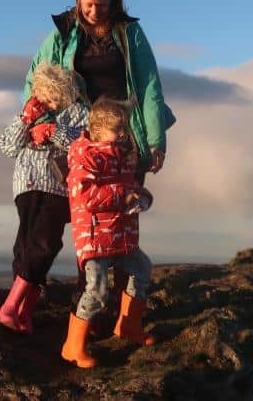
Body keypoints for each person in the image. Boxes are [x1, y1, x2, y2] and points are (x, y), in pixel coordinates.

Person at [22, 0, 175, 329]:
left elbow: (150, 86)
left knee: (122, 223)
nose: (94, 11)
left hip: (126, 140)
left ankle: (124, 321)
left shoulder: (130, 33)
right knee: (89, 225)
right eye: (88, 4)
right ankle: (86, 308)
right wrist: (40, 122)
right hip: (80, 144)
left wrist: (155, 141)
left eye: (101, 4)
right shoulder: (62, 34)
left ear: (114, 0)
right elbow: (36, 79)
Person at [60, 99, 155, 368]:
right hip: (95, 236)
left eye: (125, 127)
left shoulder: (122, 152)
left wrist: (141, 195)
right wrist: (123, 194)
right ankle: (73, 346)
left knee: (141, 268)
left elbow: (129, 184)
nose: (124, 133)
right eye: (118, 129)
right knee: (98, 290)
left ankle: (128, 326)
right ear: (99, 129)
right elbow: (86, 197)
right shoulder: (85, 155)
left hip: (120, 233)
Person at [0, 63, 89, 334]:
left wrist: (53, 132)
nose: (48, 102)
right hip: (26, 186)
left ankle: (11, 307)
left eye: (54, 97)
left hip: (57, 188)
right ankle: (23, 314)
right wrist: (25, 120)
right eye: (44, 96)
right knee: (25, 247)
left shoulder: (79, 112)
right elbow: (8, 147)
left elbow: (82, 147)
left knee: (46, 244)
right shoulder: (29, 111)